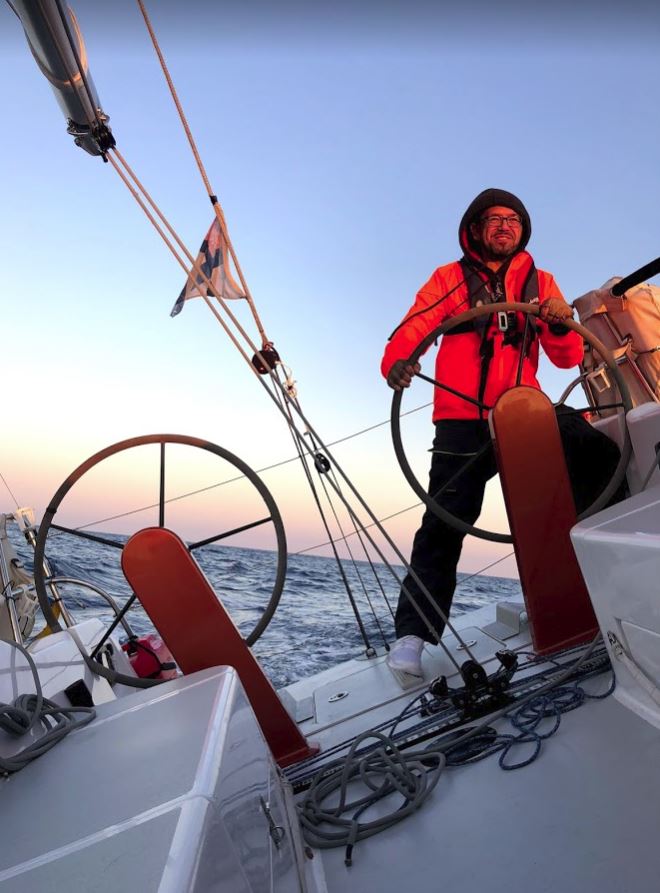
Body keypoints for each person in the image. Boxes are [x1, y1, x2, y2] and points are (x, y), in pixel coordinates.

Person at [381, 187, 619, 679]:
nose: (505, 227)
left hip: (523, 416)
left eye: (513, 220)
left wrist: (559, 322)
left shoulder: (541, 281)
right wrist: (398, 362)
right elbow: (415, 326)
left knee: (596, 454)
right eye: (494, 219)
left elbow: (567, 359)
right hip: (462, 421)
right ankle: (412, 636)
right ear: (476, 228)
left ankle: (598, 589)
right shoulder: (448, 278)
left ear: (522, 231)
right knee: (444, 523)